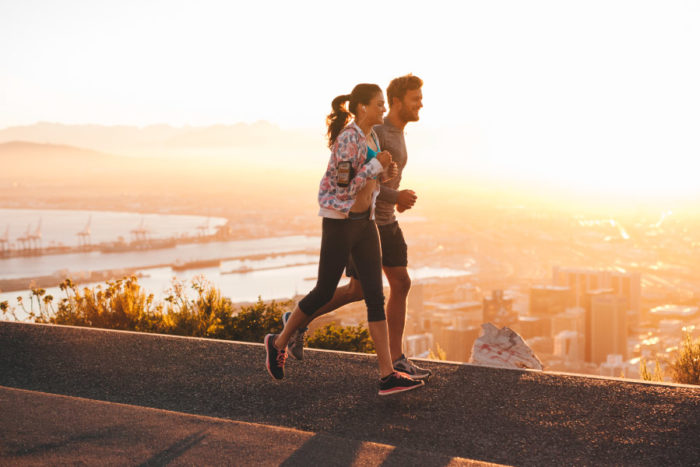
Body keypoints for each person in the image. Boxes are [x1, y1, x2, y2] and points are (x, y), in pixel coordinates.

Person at [264, 83, 424, 396]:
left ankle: (387, 375)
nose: (382, 109)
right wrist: (376, 166)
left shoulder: (373, 136)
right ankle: (279, 341)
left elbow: (375, 178)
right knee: (324, 290)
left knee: (375, 297)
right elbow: (343, 186)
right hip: (341, 223)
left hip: (366, 224)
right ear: (362, 107)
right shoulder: (347, 139)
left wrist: (386, 171)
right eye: (378, 104)